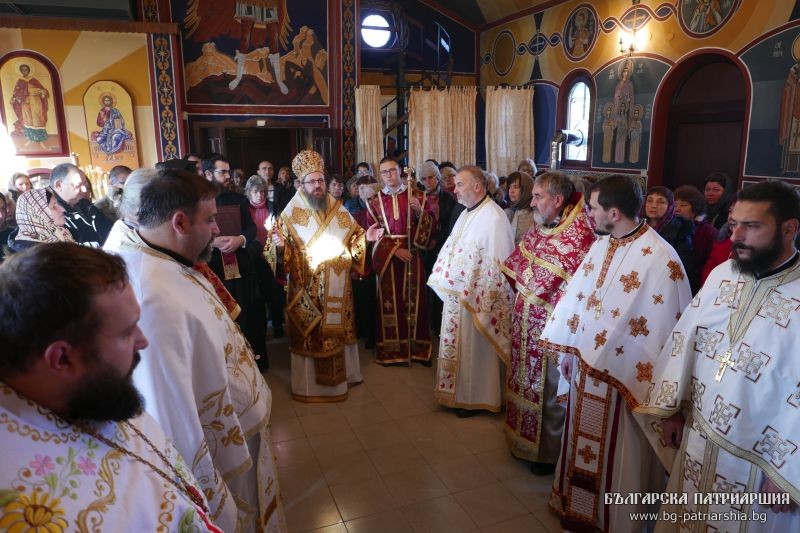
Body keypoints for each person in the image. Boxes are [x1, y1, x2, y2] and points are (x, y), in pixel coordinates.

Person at [0, 243, 221, 531]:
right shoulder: (22, 512)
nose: (142, 341)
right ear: (62, 359)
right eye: (127, 331)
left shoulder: (97, 391)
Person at [114, 169, 285, 532]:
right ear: (179, 222)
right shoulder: (151, 296)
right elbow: (171, 410)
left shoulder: (168, 258)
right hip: (222, 461)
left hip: (240, 432)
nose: (216, 230)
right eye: (209, 220)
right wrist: (209, 494)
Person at [637, 180, 800, 532]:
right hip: (699, 438)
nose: (736, 235)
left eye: (752, 226)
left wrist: (793, 472)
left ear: (790, 229)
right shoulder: (722, 275)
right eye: (734, 222)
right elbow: (685, 344)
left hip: (762, 466)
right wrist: (673, 410)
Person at [539, 175, 692, 532]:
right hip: (585, 370)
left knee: (620, 452)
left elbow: (666, 329)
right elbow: (581, 300)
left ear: (614, 211)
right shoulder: (603, 243)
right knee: (582, 441)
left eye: (592, 208)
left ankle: (615, 520)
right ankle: (578, 508)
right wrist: (571, 349)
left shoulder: (660, 259)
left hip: (623, 379)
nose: (587, 213)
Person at [500, 171, 595, 474]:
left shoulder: (579, 232)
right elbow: (520, 264)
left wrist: (533, 290)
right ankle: (520, 438)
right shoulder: (543, 225)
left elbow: (569, 281)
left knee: (550, 387)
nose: (533, 201)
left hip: (552, 325)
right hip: (525, 319)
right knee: (522, 378)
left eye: (538, 196)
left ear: (557, 199)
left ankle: (547, 452)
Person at [269, 149, 384, 401]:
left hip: (337, 286)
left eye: (321, 180)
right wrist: (279, 247)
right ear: (302, 183)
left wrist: (368, 237)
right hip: (306, 288)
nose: (318, 185)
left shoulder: (336, 208)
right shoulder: (290, 213)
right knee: (312, 334)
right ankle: (311, 387)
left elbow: (354, 237)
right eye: (312, 181)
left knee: (337, 332)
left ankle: (345, 379)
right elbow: (278, 256)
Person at [428, 165, 515, 417]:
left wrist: (475, 290)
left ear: (477, 186)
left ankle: (478, 398)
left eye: (460, 185)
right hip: (459, 296)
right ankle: (459, 394)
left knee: (476, 350)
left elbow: (499, 264)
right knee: (462, 348)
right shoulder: (468, 212)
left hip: (477, 298)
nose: (454, 190)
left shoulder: (494, 217)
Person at [365, 157, 436, 365]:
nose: (389, 175)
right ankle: (393, 350)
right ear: (381, 174)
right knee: (391, 303)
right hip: (389, 260)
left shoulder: (418, 196)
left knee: (417, 303)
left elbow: (431, 229)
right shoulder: (374, 202)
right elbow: (372, 234)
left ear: (400, 172)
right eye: (384, 172)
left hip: (413, 256)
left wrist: (419, 212)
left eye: (393, 171)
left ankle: (418, 349)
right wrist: (394, 251)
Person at [203, 154, 267, 362]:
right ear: (208, 174)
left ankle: (254, 357)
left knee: (248, 310)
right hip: (214, 267)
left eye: (228, 172)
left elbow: (251, 228)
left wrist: (240, 239)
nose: (227, 176)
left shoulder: (238, 200)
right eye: (222, 172)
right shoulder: (198, 201)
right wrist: (212, 242)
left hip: (240, 265)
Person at [245, 175, 285, 342]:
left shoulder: (273, 207)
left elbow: (280, 229)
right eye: (256, 192)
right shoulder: (244, 209)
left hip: (272, 256)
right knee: (256, 295)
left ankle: (277, 323)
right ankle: (260, 328)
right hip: (252, 257)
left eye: (262, 191)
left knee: (274, 292)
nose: (260, 195)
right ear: (248, 193)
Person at [50, 163, 113, 247]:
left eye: (84, 184)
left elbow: (109, 230)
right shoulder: (48, 213)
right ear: (59, 185)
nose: (84, 189)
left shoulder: (84, 204)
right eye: (79, 185)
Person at [674, 184, 720, 292]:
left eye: (683, 205)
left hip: (695, 284)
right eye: (675, 205)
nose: (677, 209)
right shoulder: (669, 227)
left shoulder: (709, 232)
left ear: (695, 209)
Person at [644, 186, 694, 272]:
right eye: (650, 200)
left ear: (670, 206)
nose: (654, 206)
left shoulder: (681, 229)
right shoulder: (638, 225)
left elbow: (681, 262)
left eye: (661, 202)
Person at [7, 187, 74, 252]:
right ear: (38, 214)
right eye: (54, 206)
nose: (62, 209)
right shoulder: (35, 255)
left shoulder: (60, 232)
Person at [10, 63, 49, 148]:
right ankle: (30, 139)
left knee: (38, 119)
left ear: (28, 70)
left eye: (26, 69)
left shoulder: (34, 80)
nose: (24, 71)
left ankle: (41, 140)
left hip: (35, 101)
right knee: (28, 119)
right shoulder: (20, 81)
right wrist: (14, 97)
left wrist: (42, 92)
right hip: (25, 102)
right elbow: (16, 92)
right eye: (23, 70)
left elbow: (43, 89)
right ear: (21, 71)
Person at [91, 93, 132, 159]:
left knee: (115, 137)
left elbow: (122, 121)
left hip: (116, 129)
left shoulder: (115, 111)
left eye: (108, 100)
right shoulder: (102, 111)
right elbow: (99, 123)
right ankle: (108, 152)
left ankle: (111, 153)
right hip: (106, 130)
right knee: (99, 138)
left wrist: (118, 123)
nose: (107, 102)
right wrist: (103, 120)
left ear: (111, 101)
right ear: (103, 102)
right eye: (105, 101)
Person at [503, 171, 535, 245]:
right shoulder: (508, 212)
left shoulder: (537, 215)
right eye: (510, 187)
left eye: (516, 187)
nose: (511, 191)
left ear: (526, 189)